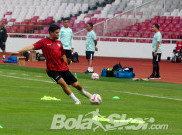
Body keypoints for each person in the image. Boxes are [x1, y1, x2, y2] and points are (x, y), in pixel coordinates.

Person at [12, 24, 92, 104]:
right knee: (62, 83)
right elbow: (31, 46)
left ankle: (86, 93)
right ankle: (76, 100)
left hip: (63, 68)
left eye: (58, 32)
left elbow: (63, 54)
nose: (58, 34)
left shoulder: (59, 43)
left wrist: (66, 64)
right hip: (52, 69)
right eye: (56, 33)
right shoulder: (43, 42)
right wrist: (19, 51)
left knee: (76, 84)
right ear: (51, 32)